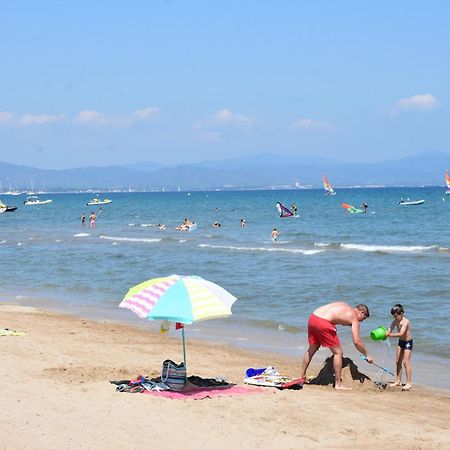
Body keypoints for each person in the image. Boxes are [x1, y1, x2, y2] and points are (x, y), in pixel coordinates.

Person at [300, 302, 373, 389]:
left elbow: (336, 316)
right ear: (361, 312)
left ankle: (302, 377)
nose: (361, 321)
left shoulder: (344, 306)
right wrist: (367, 355)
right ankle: (338, 384)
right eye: (363, 319)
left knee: (312, 349)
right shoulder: (354, 318)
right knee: (338, 353)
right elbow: (356, 341)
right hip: (323, 322)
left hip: (313, 317)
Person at [385, 304, 413, 391]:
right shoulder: (394, 322)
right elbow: (389, 329)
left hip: (408, 342)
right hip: (401, 342)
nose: (395, 318)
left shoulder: (406, 322)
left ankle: (408, 383)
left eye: (396, 316)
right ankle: (398, 381)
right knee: (398, 362)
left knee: (406, 362)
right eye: (393, 316)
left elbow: (401, 333)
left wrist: (390, 335)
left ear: (402, 313)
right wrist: (385, 333)